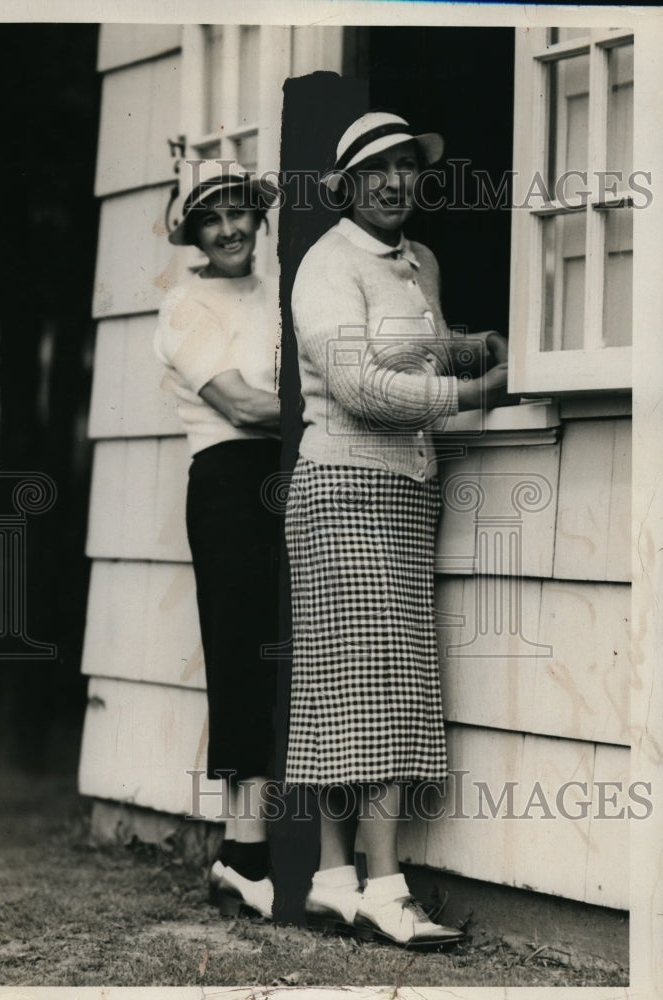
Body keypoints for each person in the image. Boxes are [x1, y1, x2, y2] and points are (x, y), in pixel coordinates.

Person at [284, 111, 510, 946]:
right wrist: (474, 395)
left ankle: (333, 876)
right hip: (342, 486)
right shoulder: (324, 265)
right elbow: (363, 389)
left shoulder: (419, 261)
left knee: (355, 685)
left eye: (407, 167)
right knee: (373, 684)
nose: (393, 181)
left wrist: (474, 348)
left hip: (405, 491)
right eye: (375, 168)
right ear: (345, 184)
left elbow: (419, 350)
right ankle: (384, 885)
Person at [154, 159, 281, 919]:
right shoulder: (185, 305)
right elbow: (239, 404)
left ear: (260, 218)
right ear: (195, 233)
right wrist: (338, 405)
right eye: (213, 218)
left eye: (240, 212)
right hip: (232, 484)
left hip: (297, 472)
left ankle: (267, 853)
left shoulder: (281, 291)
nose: (231, 228)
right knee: (240, 651)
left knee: (289, 651)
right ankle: (243, 854)